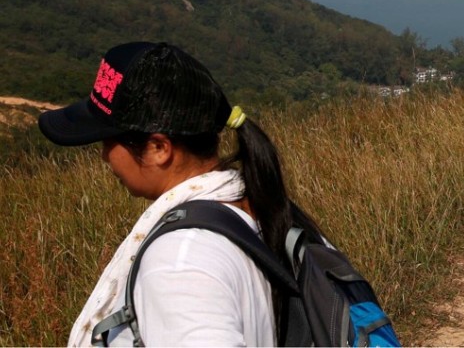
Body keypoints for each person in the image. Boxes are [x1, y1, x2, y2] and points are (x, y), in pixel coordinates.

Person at [38, 41, 306, 347]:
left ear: (158, 148)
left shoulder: (179, 264)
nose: (103, 156)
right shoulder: (260, 210)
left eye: (107, 141)